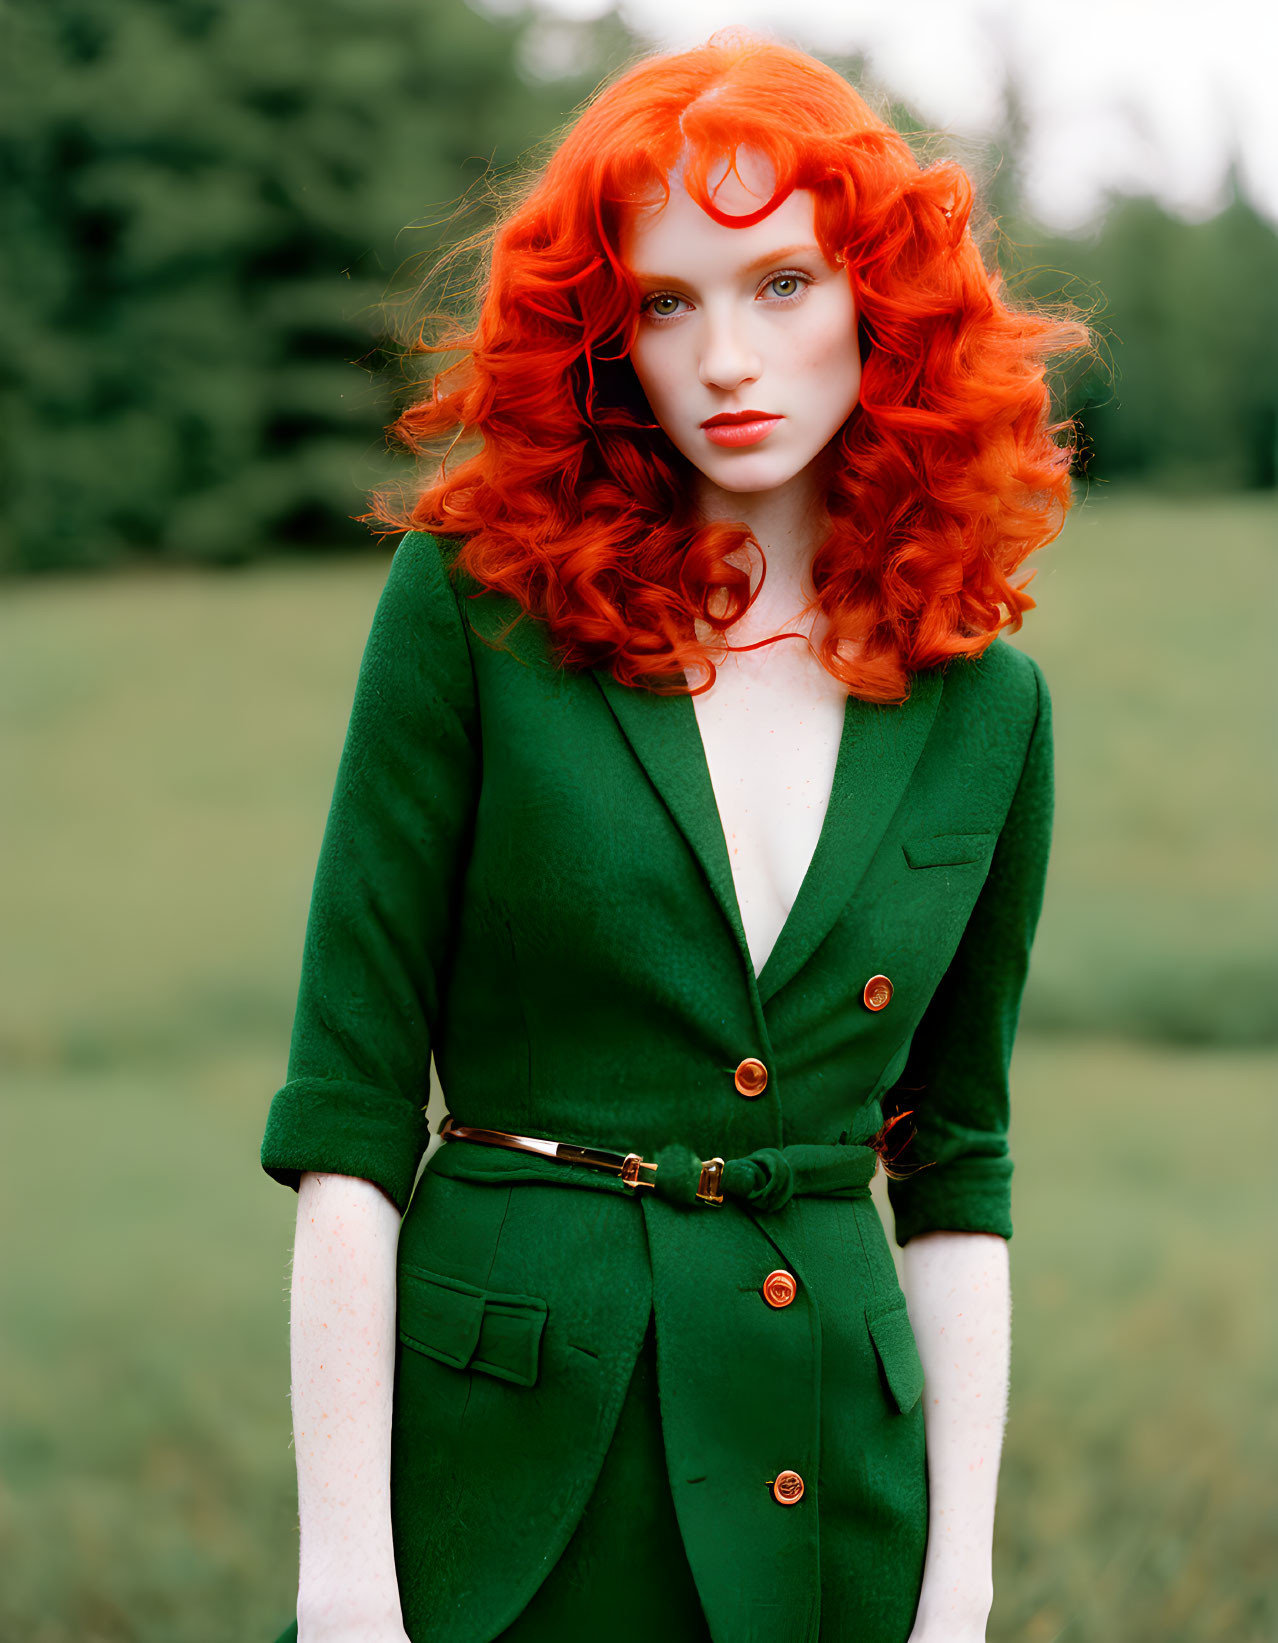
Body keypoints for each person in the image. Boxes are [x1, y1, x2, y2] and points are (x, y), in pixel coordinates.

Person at [259, 29, 1089, 1643]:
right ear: (603, 334)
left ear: (881, 301)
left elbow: (957, 1171)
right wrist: (347, 1585)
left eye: (780, 283)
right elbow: (349, 1122)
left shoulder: (993, 711)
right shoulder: (469, 615)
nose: (724, 357)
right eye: (665, 301)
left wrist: (959, 1597)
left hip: (835, 1483)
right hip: (498, 1468)